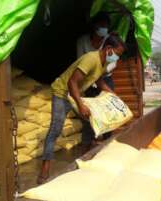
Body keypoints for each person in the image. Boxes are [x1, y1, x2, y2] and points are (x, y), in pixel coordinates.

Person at [37, 34, 126, 184]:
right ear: (109, 49)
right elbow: (72, 82)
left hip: (75, 94)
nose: (117, 58)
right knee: (55, 130)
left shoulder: (103, 62)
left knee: (89, 123)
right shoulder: (91, 59)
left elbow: (99, 81)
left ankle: (82, 160)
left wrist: (114, 96)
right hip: (62, 93)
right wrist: (80, 104)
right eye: (117, 55)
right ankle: (45, 169)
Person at [77, 12, 116, 151]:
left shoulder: (110, 41)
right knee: (89, 113)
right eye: (101, 26)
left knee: (108, 111)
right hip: (88, 81)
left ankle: (108, 144)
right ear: (94, 26)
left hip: (105, 78)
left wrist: (100, 71)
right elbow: (80, 62)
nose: (103, 28)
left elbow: (113, 63)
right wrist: (93, 73)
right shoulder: (82, 42)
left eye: (106, 26)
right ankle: (87, 145)